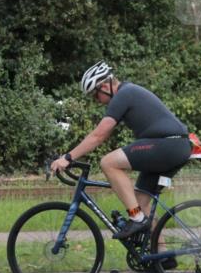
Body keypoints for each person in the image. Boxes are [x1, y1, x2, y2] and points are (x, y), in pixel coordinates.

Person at [49, 62, 192, 244]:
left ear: (104, 86)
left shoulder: (124, 94)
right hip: (174, 146)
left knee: (108, 163)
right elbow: (102, 135)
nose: (96, 100)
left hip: (168, 144)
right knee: (140, 202)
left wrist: (67, 158)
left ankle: (136, 218)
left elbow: (98, 136)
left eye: (95, 95)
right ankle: (162, 254)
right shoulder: (127, 93)